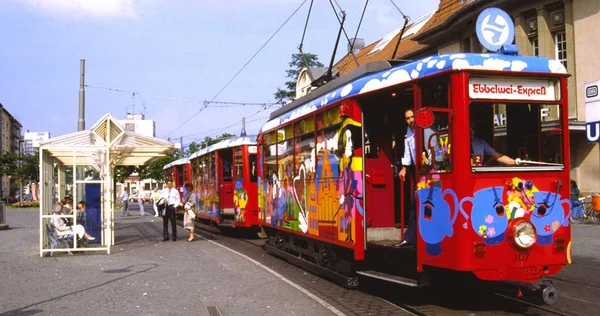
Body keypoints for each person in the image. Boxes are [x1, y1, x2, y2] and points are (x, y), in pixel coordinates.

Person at [394, 108, 418, 248]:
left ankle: (412, 237)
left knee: (418, 204)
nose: (411, 120)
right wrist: (404, 167)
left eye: (413, 117)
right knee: (414, 204)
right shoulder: (409, 131)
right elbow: (408, 151)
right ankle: (410, 237)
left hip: (427, 171)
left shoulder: (425, 129)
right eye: (408, 118)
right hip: (417, 171)